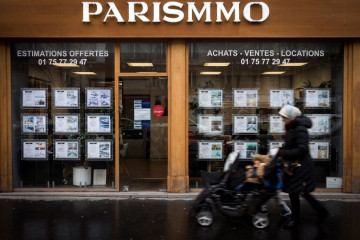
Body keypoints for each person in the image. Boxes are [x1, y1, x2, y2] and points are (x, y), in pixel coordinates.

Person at [278, 105, 329, 228]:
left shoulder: (299, 129)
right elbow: (294, 145)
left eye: (284, 117)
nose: (282, 119)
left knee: (297, 191)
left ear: (291, 117)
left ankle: (297, 219)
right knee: (298, 192)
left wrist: (285, 153)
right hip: (297, 165)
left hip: (301, 166)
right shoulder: (293, 128)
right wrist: (283, 151)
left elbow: (302, 149)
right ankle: (320, 212)